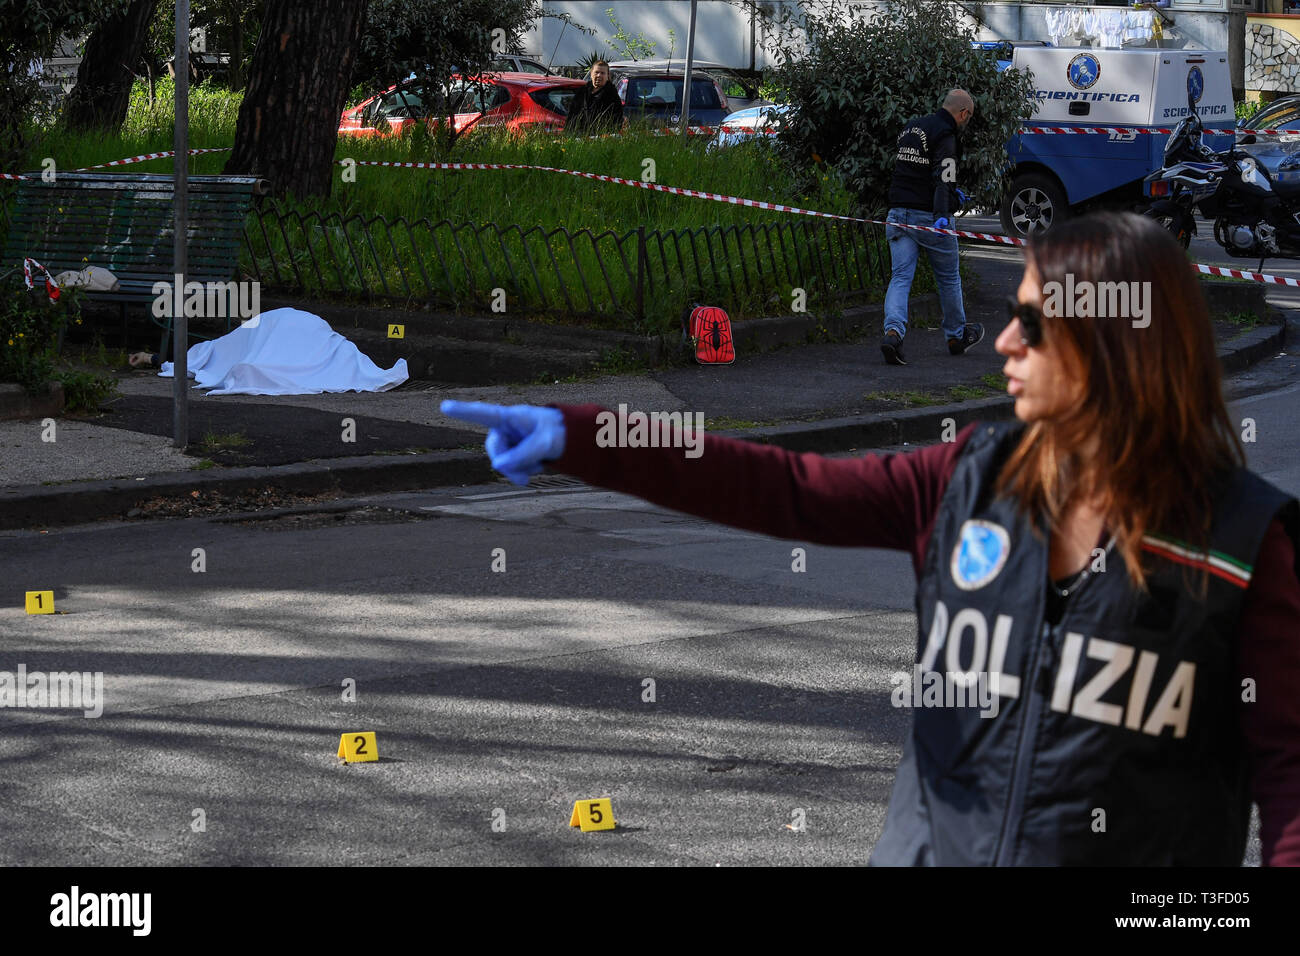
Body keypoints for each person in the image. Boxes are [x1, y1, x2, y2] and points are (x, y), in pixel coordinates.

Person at [443, 211, 1300, 865]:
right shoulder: (970, 478)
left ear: (1118, 344)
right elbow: (783, 488)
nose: (1004, 340)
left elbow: (1290, 793)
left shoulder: (1244, 546)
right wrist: (583, 433)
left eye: (1035, 325)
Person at [881, 89, 984, 366]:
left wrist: (952, 193)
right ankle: (956, 336)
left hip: (897, 212)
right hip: (929, 217)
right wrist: (942, 211)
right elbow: (942, 178)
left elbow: (915, 172)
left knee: (900, 278)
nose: (966, 123)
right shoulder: (947, 136)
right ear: (963, 113)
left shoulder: (912, 127)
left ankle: (893, 334)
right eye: (968, 118)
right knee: (949, 278)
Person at [564, 61, 624, 135]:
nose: (599, 75)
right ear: (591, 74)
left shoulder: (612, 96)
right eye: (596, 72)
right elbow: (571, 116)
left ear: (607, 76)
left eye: (602, 73)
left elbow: (617, 121)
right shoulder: (582, 92)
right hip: (578, 137)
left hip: (599, 138)